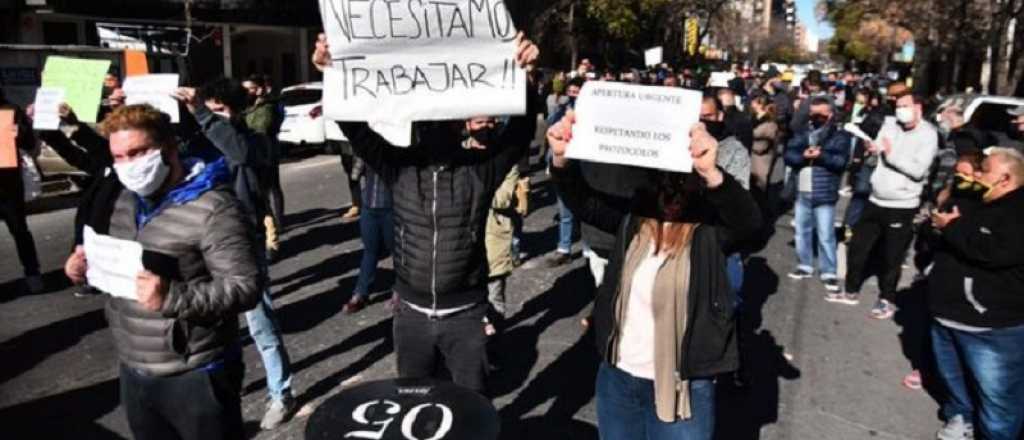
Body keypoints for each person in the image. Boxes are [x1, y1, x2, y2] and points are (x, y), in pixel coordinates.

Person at [312, 32, 540, 393]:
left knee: (470, 407)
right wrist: (332, 74)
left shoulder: (479, 169)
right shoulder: (397, 167)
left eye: (447, 119)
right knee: (414, 405)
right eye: (429, 118)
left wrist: (525, 78)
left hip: (465, 317)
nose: (437, 126)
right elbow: (355, 129)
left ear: (459, 124)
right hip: (411, 317)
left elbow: (520, 133)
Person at [548, 112, 761, 440]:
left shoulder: (707, 231)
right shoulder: (634, 222)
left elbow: (748, 224)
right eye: (660, 182)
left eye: (678, 183)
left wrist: (712, 173)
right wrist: (561, 160)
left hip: (681, 385)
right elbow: (584, 203)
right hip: (618, 379)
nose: (669, 194)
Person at [64, 104, 261, 440]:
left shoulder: (215, 208)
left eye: (137, 153)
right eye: (119, 157)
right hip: (134, 366)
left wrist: (172, 296)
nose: (128, 166)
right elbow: (119, 264)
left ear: (168, 149)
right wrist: (85, 270)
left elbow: (245, 287)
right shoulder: (124, 199)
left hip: (195, 371)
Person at [173, 80, 297, 429]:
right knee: (213, 324)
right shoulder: (200, 140)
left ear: (236, 111)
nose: (211, 119)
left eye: (218, 111)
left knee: (260, 323)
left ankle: (281, 393)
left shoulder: (256, 142)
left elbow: (238, 151)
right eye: (207, 111)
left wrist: (202, 114)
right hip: (202, 245)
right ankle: (228, 383)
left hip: (243, 243)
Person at [929, 147, 1024, 440]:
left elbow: (994, 251)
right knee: (954, 380)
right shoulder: (975, 198)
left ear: (1006, 179)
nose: (978, 175)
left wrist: (953, 228)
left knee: (998, 402)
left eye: (985, 170)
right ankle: (961, 417)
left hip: (990, 328)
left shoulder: (1017, 212)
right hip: (947, 315)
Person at [842, 93, 939, 319]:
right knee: (857, 246)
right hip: (876, 197)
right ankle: (850, 290)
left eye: (904, 106)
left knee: (892, 255)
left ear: (918, 108)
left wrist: (889, 152)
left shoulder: (928, 135)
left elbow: (918, 170)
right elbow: (880, 151)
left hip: (902, 204)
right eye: (897, 106)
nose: (899, 111)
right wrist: (873, 150)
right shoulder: (889, 125)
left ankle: (887, 299)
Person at [784, 97, 851, 294]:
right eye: (812, 113)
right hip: (802, 190)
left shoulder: (840, 136)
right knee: (801, 232)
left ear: (830, 114)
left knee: (825, 235)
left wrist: (820, 155)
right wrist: (803, 156)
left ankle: (829, 272)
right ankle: (804, 265)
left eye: (820, 114)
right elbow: (789, 155)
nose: (814, 117)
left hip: (824, 192)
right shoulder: (803, 132)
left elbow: (840, 162)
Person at [0, 91, 43, 294]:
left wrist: (21, 133)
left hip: (8, 183)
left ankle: (33, 273)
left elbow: (30, 144)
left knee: (19, 229)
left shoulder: (10, 110)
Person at [242, 74, 286, 261]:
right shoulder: (248, 107)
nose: (245, 93)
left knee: (266, 195)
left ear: (259, 90)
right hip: (253, 158)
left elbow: (261, 128)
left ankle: (273, 237)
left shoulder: (267, 107)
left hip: (265, 157)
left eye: (249, 88)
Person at [343, 159, 394, 315]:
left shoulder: (399, 145)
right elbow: (354, 175)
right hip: (369, 206)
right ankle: (360, 293)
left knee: (397, 251)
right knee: (370, 251)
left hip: (392, 206)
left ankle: (400, 293)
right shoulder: (367, 148)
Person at [749, 95, 779, 196]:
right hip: (752, 154)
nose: (751, 104)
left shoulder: (768, 120)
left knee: (760, 182)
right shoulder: (754, 117)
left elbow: (762, 133)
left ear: (760, 104)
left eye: (754, 102)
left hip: (762, 155)